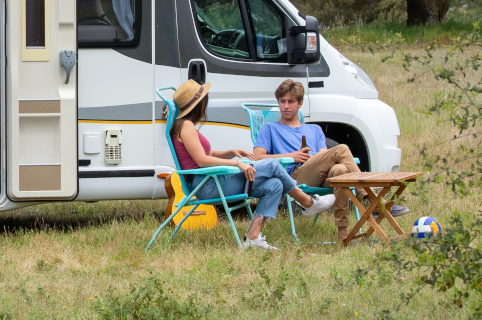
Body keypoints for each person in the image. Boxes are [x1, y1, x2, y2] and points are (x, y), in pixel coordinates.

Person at [170, 79, 335, 250]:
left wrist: (230, 151)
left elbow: (205, 154)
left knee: (274, 184)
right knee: (271, 165)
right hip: (207, 184)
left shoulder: (185, 125)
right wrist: (237, 163)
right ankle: (307, 202)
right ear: (199, 104)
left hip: (211, 180)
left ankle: (253, 238)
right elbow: (201, 161)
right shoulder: (187, 126)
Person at [251, 79, 408, 241]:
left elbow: (324, 155)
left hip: (321, 175)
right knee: (342, 149)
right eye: (282, 101)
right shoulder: (270, 128)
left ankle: (343, 234)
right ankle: (372, 199)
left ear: (300, 103)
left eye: (290, 102)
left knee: (339, 171)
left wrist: (325, 169)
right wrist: (292, 156)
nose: (285, 106)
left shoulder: (314, 129)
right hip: (295, 178)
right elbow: (257, 157)